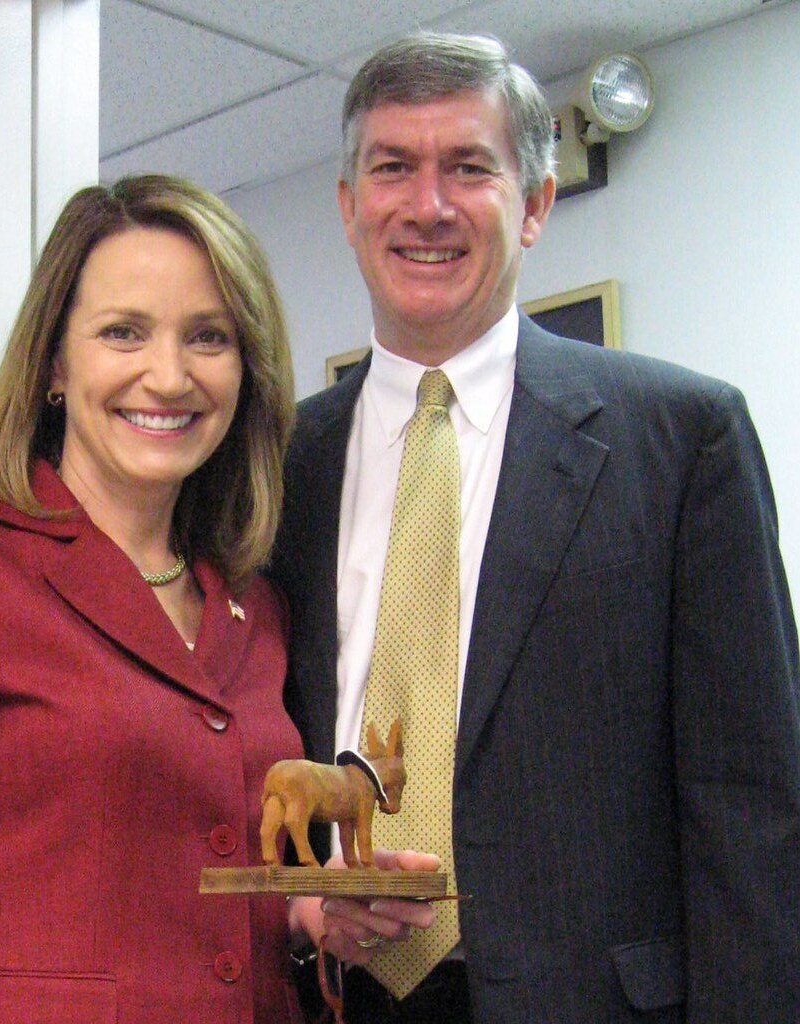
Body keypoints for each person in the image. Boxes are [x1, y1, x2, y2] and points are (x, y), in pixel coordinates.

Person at [271, 32, 800, 1024]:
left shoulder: (682, 438)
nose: (426, 205)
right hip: (339, 997)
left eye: (469, 168)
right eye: (392, 167)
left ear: (537, 204)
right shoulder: (279, 464)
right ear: (348, 206)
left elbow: (752, 804)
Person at [0, 173, 338, 1024]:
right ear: (56, 361)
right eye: (123, 332)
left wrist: (315, 918)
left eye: (208, 337)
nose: (168, 376)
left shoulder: (254, 603)